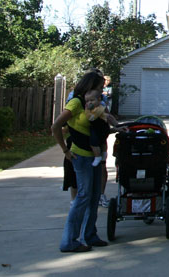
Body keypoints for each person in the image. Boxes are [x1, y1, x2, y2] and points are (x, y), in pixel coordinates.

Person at [52, 71, 112, 252]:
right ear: (90, 86)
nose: (103, 90)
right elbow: (55, 126)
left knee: (94, 197)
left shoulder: (94, 104)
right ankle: (69, 241)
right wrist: (65, 150)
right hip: (80, 156)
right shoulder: (76, 102)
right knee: (84, 196)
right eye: (100, 87)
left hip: (93, 156)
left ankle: (90, 235)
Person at [84, 90, 111, 167]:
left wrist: (87, 110)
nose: (89, 103)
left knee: (94, 143)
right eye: (87, 101)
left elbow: (92, 118)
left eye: (92, 100)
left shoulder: (99, 108)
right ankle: (104, 154)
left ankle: (97, 156)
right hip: (102, 128)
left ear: (99, 99)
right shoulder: (99, 107)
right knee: (102, 142)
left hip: (98, 128)